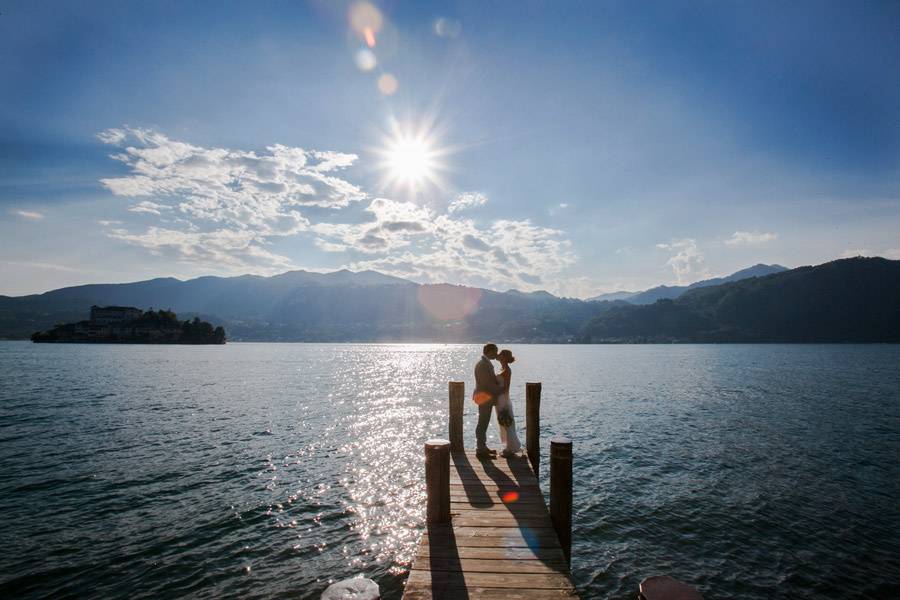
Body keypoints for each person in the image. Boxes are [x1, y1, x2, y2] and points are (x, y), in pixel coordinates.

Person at [473, 343, 504, 459]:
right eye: (495, 352)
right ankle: (480, 450)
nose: (496, 354)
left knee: (484, 423)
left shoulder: (485, 363)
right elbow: (487, 384)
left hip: (485, 397)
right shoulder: (482, 365)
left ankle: (482, 447)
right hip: (483, 397)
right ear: (489, 351)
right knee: (482, 423)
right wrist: (501, 390)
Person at [495, 349, 523, 457]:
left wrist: (505, 402)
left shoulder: (507, 370)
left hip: (503, 399)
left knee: (506, 422)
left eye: (501, 354)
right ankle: (507, 445)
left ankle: (511, 447)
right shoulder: (502, 368)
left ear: (505, 357)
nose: (499, 356)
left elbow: (506, 388)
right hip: (499, 399)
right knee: (502, 422)